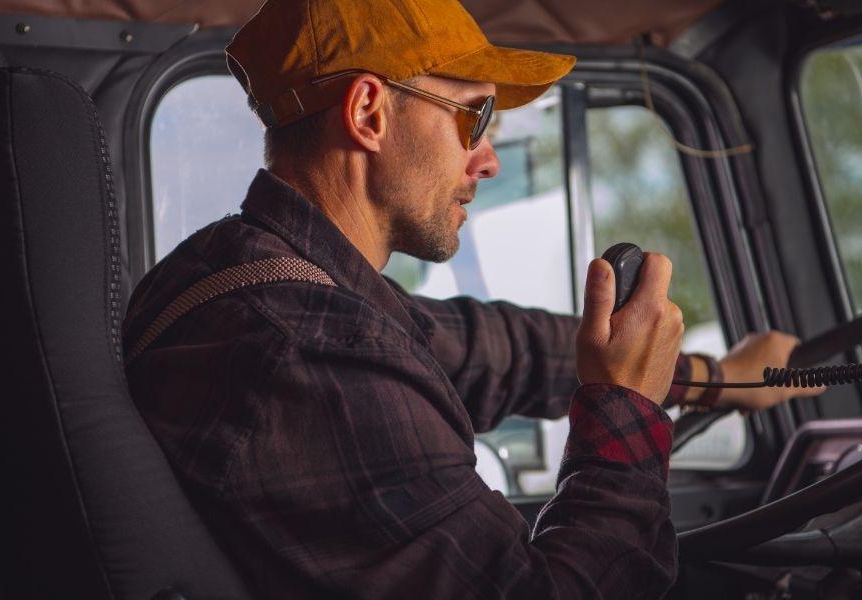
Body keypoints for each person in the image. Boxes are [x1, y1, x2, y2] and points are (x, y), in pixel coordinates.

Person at [122, 0, 821, 597]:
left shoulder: (247, 272)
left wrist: (718, 378)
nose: (485, 159)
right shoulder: (304, 352)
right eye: (473, 116)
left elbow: (490, 350)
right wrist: (626, 411)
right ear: (368, 113)